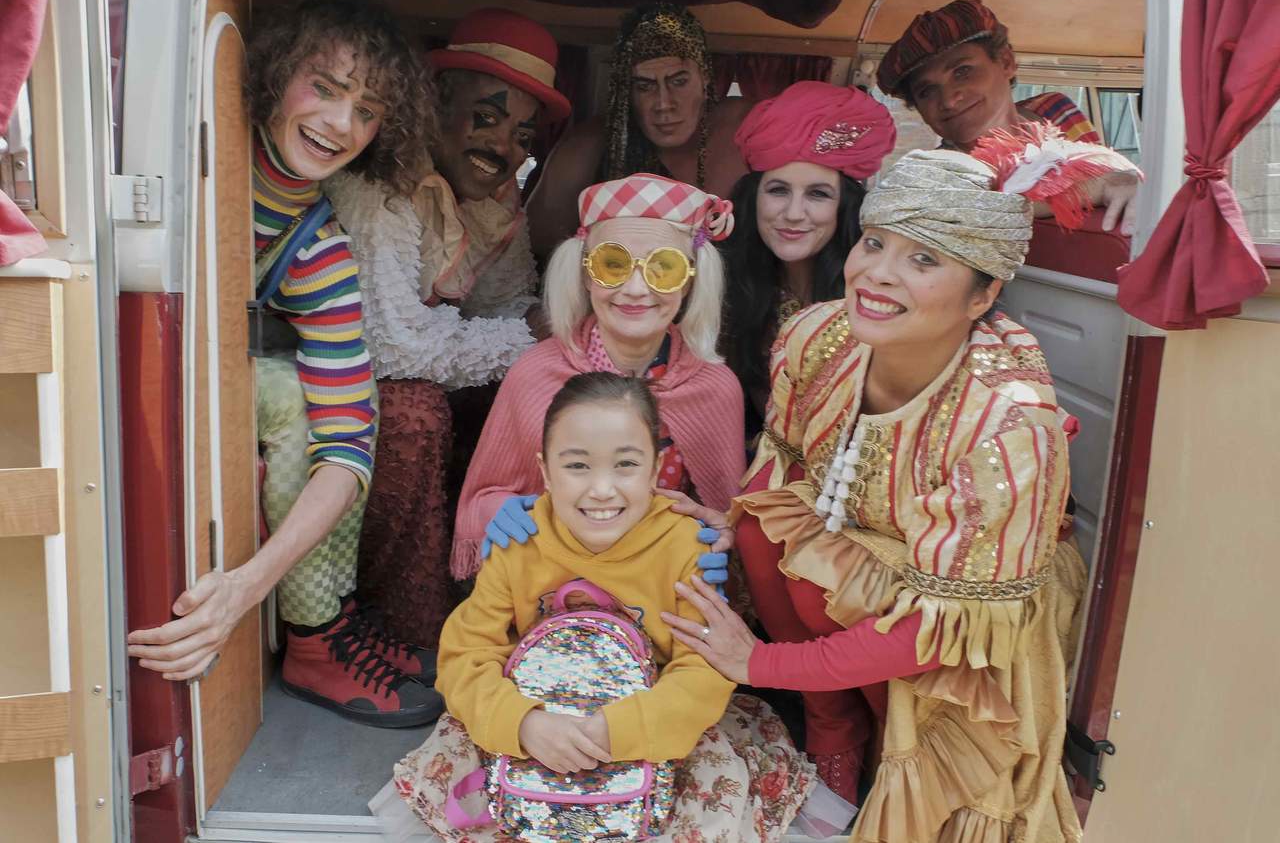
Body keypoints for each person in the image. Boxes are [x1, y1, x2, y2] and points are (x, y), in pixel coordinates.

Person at [661, 133, 1133, 839]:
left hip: (971, 614)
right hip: (871, 553)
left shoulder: (1006, 426)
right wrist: (729, 520)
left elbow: (940, 632)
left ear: (984, 295)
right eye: (875, 242)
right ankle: (833, 728)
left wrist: (758, 661)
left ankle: (894, 754)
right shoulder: (818, 335)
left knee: (829, 586)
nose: (877, 274)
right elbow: (786, 463)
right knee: (761, 529)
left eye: (924, 259)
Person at [126, 0, 441, 726]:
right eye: (324, 87)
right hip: (139, 385)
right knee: (291, 393)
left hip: (195, 394)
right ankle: (318, 633)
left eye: (367, 111)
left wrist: (246, 587)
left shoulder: (317, 246)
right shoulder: (187, 157)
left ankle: (324, 627)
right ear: (273, 75)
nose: (340, 123)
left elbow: (348, 442)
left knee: (351, 405)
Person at [368, 372, 815, 842]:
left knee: (707, 792)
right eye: (577, 466)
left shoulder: (685, 546)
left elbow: (704, 668)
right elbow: (465, 656)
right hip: (536, 722)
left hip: (651, 727)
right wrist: (524, 723)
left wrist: (617, 730)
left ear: (655, 468)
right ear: (545, 471)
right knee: (467, 775)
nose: (602, 489)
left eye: (626, 465)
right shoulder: (519, 541)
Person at [324, 8, 571, 649]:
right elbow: (393, 345)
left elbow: (507, 302)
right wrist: (531, 334)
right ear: (434, 105)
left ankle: (525, 598)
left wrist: (541, 341)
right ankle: (405, 625)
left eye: (521, 135)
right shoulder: (379, 186)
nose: (502, 147)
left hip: (421, 367)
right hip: (334, 386)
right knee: (414, 414)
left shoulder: (494, 201)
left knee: (541, 397)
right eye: (486, 118)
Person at [452, 173, 745, 579]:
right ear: (586, 274)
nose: (636, 289)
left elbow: (729, 516)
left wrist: (716, 530)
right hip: (549, 573)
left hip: (664, 577)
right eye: (613, 264)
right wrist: (501, 510)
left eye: (664, 267)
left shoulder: (715, 387)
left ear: (691, 279)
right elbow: (485, 497)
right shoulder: (534, 373)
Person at [877, 0, 1141, 234]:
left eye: (962, 72)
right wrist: (1097, 186)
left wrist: (1122, 180)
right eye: (927, 91)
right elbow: (996, 206)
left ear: (1005, 62)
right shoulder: (938, 173)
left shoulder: (1055, 110)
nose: (948, 99)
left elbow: (1107, 174)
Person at [721, 80, 896, 438]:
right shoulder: (728, 287)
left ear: (844, 207)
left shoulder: (877, 296)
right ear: (753, 199)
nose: (794, 213)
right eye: (778, 190)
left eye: (818, 194)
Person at [526, 3, 754, 258]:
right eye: (644, 86)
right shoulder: (588, 146)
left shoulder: (747, 126)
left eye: (679, 82)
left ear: (705, 76)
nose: (664, 104)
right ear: (627, 91)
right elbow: (532, 252)